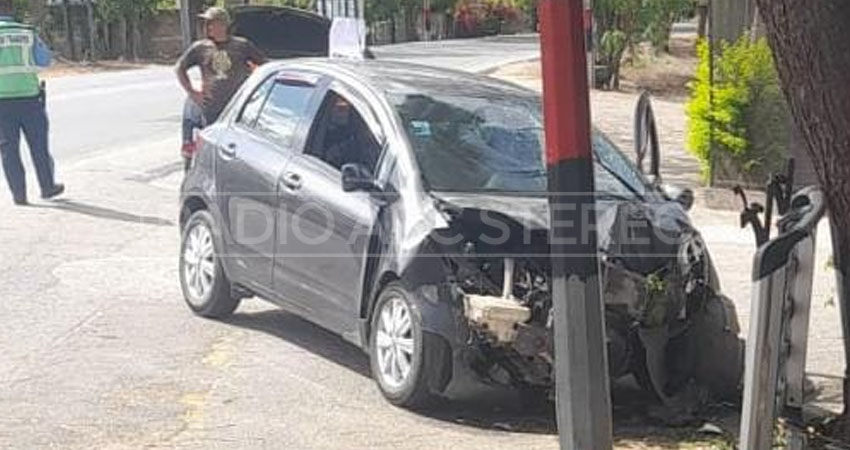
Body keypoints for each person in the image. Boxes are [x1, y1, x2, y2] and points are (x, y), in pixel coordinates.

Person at [0, 0, 63, 206]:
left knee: (9, 150)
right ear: (11, 10)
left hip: (2, 103)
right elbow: (44, 61)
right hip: (29, 98)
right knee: (39, 146)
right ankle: (47, 187)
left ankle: (19, 195)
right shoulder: (27, 33)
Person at [175, 7, 267, 126]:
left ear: (222, 25)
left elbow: (265, 66)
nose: (207, 27)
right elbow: (179, 68)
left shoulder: (242, 45)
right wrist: (193, 93)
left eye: (210, 23)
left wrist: (255, 83)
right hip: (212, 110)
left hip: (238, 108)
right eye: (206, 23)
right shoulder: (200, 48)